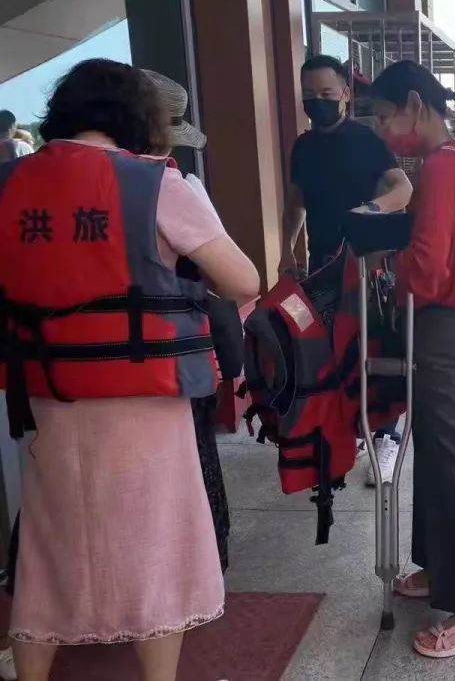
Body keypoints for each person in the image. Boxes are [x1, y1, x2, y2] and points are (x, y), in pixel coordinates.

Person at [0, 59, 261, 681]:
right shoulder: (153, 184)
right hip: (143, 395)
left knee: (49, 543)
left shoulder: (9, 183)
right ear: (140, 118)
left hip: (51, 391)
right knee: (155, 544)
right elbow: (243, 280)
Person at [365, 60, 455, 660]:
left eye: (383, 116)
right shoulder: (454, 160)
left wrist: (389, 266)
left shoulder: (443, 168)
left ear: (414, 106)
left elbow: (427, 264)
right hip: (451, 326)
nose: (381, 129)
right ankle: (439, 569)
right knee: (439, 457)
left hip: (445, 329)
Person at [280, 54, 413, 486]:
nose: (317, 101)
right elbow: (295, 204)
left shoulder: (365, 140)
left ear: (344, 94)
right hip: (322, 266)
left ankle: (386, 437)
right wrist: (287, 251)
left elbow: (403, 189)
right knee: (333, 352)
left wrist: (367, 212)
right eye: (308, 94)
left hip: (368, 264)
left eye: (325, 92)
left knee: (374, 348)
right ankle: (352, 429)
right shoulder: (303, 147)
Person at [142, 69, 232, 571]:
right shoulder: (166, 185)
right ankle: (199, 572)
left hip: (71, 373)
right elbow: (240, 279)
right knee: (190, 467)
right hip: (173, 359)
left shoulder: (54, 184)